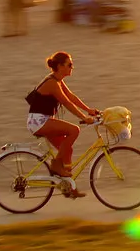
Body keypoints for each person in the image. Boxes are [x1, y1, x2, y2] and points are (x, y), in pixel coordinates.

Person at [25, 51, 101, 197]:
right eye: (69, 64)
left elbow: (72, 97)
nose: (72, 67)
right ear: (60, 66)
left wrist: (89, 110)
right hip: (39, 122)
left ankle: (69, 188)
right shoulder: (52, 83)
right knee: (74, 130)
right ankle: (56, 165)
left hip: (44, 120)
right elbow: (66, 102)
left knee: (67, 150)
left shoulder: (57, 80)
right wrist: (84, 118)